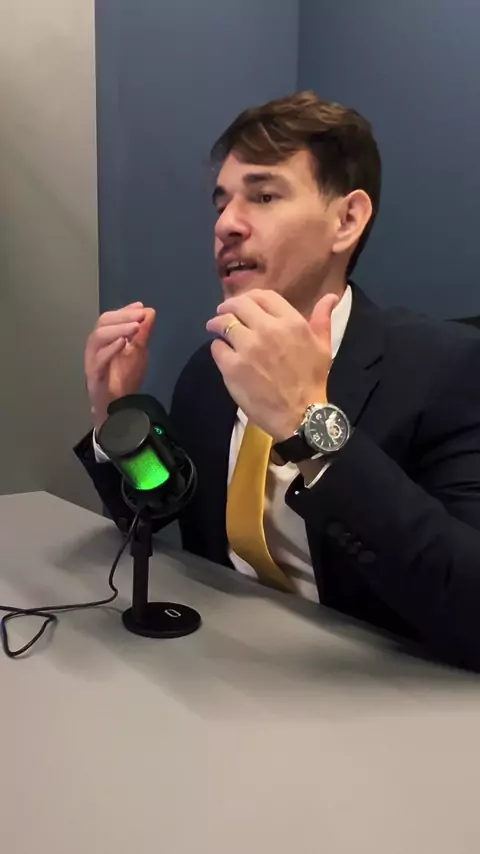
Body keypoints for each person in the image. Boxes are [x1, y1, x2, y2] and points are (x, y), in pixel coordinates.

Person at [75, 91, 480, 670]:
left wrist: (308, 426)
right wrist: (115, 414)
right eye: (221, 204)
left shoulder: (450, 369)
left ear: (346, 220)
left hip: (377, 696)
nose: (226, 225)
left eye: (264, 196)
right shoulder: (211, 370)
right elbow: (157, 507)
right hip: (225, 671)